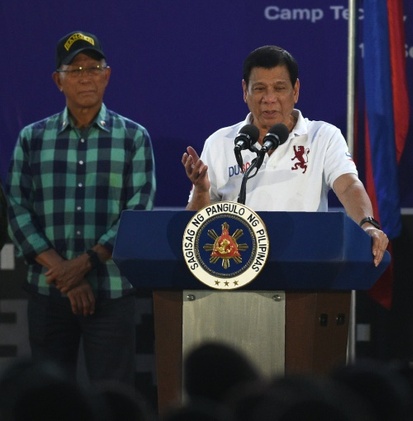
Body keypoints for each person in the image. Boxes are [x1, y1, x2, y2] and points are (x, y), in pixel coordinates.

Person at [6, 30, 156, 385]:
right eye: (74, 70)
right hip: (49, 291)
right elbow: (16, 209)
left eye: (94, 67)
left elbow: (137, 212)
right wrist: (65, 273)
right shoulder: (32, 138)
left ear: (107, 75)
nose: (85, 77)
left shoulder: (134, 137)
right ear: (57, 81)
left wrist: (84, 264)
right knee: (48, 397)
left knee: (113, 396)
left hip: (110, 292)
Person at [181, 45, 388, 266]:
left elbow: (348, 186)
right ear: (245, 91)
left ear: (295, 90)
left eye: (279, 88)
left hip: (305, 265)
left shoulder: (323, 136)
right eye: (259, 88)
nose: (269, 99)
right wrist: (201, 190)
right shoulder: (220, 142)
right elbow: (197, 226)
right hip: (236, 266)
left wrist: (367, 224)